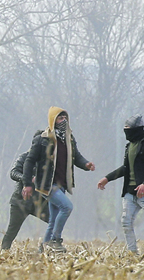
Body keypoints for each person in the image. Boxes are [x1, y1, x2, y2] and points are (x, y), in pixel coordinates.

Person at [97, 114, 144, 255]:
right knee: (126, 223)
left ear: (137, 129)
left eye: (128, 129)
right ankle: (132, 253)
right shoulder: (129, 146)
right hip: (130, 192)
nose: (126, 132)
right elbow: (125, 168)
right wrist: (107, 178)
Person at [21, 107, 95, 253]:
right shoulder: (42, 140)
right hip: (46, 185)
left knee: (53, 220)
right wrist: (27, 184)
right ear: (53, 121)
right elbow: (29, 162)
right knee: (67, 207)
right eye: (60, 118)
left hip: (61, 184)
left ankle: (43, 250)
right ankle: (55, 240)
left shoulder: (69, 139)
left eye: (65, 118)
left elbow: (77, 157)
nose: (64, 121)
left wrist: (86, 164)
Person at [0, 132, 50, 250]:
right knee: (12, 231)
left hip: (40, 200)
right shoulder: (24, 157)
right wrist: (26, 179)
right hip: (20, 200)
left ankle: (43, 249)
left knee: (55, 221)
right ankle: (4, 253)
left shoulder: (48, 161)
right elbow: (13, 173)